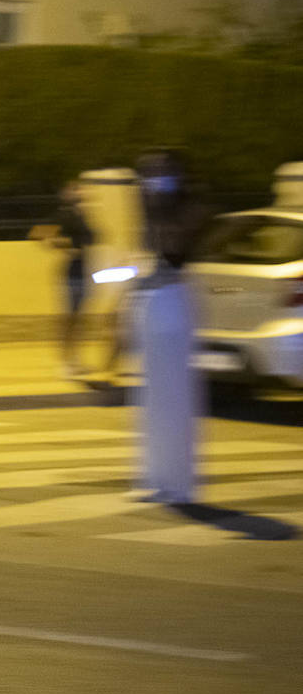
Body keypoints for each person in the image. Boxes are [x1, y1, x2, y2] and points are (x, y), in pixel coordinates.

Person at [132, 148, 210, 504]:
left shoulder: (192, 210)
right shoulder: (150, 211)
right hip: (151, 305)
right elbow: (148, 252)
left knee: (175, 398)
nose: (152, 181)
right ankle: (156, 479)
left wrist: (159, 209)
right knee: (152, 399)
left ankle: (179, 484)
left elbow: (177, 249)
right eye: (148, 174)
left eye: (160, 173)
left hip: (175, 302)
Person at [30, 180, 94, 378]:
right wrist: (63, 245)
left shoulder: (81, 215)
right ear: (66, 194)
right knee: (69, 320)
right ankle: (66, 362)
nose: (80, 192)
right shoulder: (63, 215)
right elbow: (36, 234)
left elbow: (92, 239)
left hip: (83, 271)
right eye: (75, 189)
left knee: (78, 320)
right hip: (70, 273)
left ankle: (75, 360)